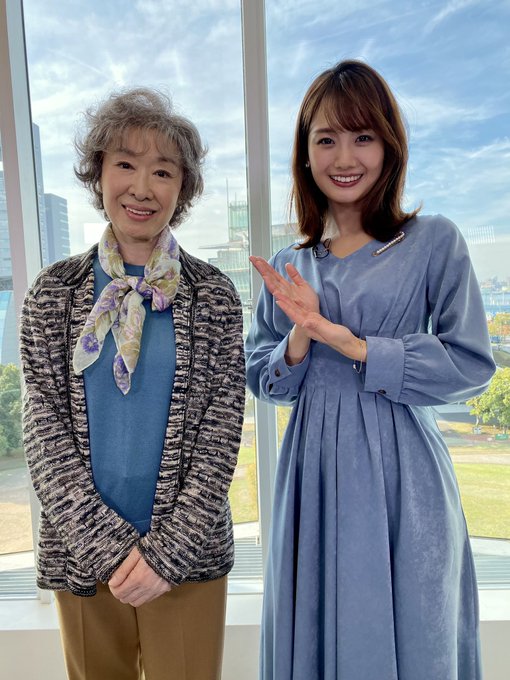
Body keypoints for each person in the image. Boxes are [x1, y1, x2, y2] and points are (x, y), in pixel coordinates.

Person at [245, 60, 495, 680]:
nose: (344, 157)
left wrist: (356, 346)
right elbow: (263, 378)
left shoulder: (433, 241)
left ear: (389, 145)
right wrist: (301, 334)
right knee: (314, 623)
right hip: (311, 472)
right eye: (326, 138)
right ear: (305, 153)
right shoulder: (290, 261)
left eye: (362, 136)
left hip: (402, 471)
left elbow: (470, 362)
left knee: (413, 626)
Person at [20, 88, 245, 680]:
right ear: (98, 174)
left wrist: (165, 556)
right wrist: (109, 550)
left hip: (187, 559)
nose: (142, 188)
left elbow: (221, 437)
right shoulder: (53, 292)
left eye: (162, 171)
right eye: (125, 164)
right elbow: (42, 430)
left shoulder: (215, 296)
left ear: (183, 188)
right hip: (82, 557)